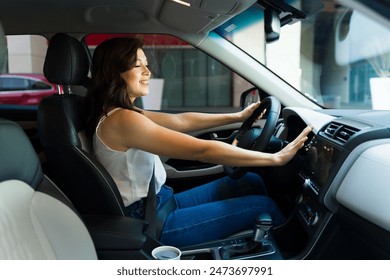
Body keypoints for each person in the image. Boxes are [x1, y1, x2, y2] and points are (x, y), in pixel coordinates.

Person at [86, 36, 312, 248]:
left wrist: (237, 117)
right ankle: (298, 257)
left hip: (160, 202)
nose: (148, 71)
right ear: (115, 72)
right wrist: (274, 158)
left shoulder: (121, 113)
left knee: (250, 182)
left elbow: (181, 121)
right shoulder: (123, 120)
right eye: (138, 66)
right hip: (151, 221)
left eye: (146, 64)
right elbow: (201, 150)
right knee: (264, 207)